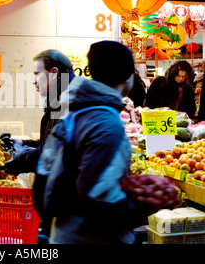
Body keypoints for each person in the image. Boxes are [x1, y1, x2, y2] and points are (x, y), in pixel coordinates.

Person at [38, 40, 146, 244]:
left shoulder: (77, 109)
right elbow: (97, 196)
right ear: (127, 77)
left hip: (66, 231)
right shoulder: (105, 121)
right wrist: (139, 210)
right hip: (89, 236)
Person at [5, 49, 75, 175]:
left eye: (37, 74)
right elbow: (50, 142)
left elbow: (55, 152)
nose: (33, 81)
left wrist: (21, 160)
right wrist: (23, 143)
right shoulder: (57, 99)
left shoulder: (67, 102)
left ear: (54, 73)